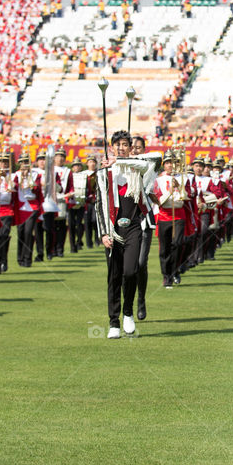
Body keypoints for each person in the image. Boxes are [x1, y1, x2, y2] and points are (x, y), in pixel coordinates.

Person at [93, 130, 153, 339]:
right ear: (111, 147)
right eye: (117, 144)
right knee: (114, 276)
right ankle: (114, 322)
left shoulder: (136, 167)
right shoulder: (103, 173)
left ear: (129, 147)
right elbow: (99, 204)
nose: (121, 147)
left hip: (134, 227)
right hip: (112, 229)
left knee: (131, 271)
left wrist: (119, 161)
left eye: (125, 144)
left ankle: (128, 312)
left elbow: (147, 164)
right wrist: (103, 234)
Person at [131, 137, 158, 320]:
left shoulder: (148, 164)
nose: (135, 150)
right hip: (127, 218)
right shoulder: (122, 165)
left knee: (141, 263)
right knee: (129, 267)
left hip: (144, 219)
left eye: (138, 147)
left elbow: (157, 156)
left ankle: (141, 300)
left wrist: (137, 157)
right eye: (132, 147)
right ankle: (128, 304)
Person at [152, 151, 185, 289]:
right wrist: (170, 191)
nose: (170, 165)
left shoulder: (182, 178)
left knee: (177, 244)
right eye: (168, 163)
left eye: (173, 162)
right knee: (164, 248)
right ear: (164, 165)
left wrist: (180, 187)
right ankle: (166, 276)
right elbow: (158, 201)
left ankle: (175, 270)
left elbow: (186, 198)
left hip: (178, 215)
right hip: (165, 215)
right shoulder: (158, 180)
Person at [13, 153, 42, 268]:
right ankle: (20, 257)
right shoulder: (16, 175)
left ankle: (27, 258)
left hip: (32, 206)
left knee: (28, 232)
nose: (25, 165)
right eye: (23, 163)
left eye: (27, 163)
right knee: (20, 232)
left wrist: (29, 180)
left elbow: (37, 188)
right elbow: (14, 187)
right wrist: (22, 178)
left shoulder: (36, 175)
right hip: (20, 207)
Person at [0, 151, 15, 274]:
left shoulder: (13, 176)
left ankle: (4, 260)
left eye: (5, 162)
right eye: (0, 162)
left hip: (7, 210)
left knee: (4, 236)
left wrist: (5, 177)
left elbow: (14, 188)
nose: (3, 164)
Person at [66, 159, 90, 254]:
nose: (77, 167)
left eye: (78, 165)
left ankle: (79, 240)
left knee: (79, 224)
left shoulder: (85, 177)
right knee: (71, 225)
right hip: (71, 204)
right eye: (75, 165)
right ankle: (72, 246)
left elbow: (88, 189)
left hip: (81, 204)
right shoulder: (69, 176)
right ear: (72, 167)